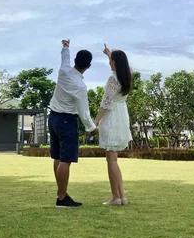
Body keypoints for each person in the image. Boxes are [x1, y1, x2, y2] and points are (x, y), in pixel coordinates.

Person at [48, 39, 98, 208]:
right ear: (88, 66)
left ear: (75, 60)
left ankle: (61, 193)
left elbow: (64, 58)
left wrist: (65, 46)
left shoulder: (63, 71)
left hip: (53, 117)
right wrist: (92, 128)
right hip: (67, 121)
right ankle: (61, 197)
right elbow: (84, 113)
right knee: (66, 159)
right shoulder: (80, 86)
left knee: (57, 157)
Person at [95, 44, 133, 206]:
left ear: (115, 63)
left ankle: (115, 197)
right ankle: (121, 195)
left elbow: (106, 103)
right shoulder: (126, 77)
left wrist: (94, 122)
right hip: (121, 117)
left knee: (111, 160)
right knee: (114, 160)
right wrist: (109, 54)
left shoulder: (113, 79)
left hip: (111, 118)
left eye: (111, 60)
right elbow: (116, 68)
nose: (110, 62)